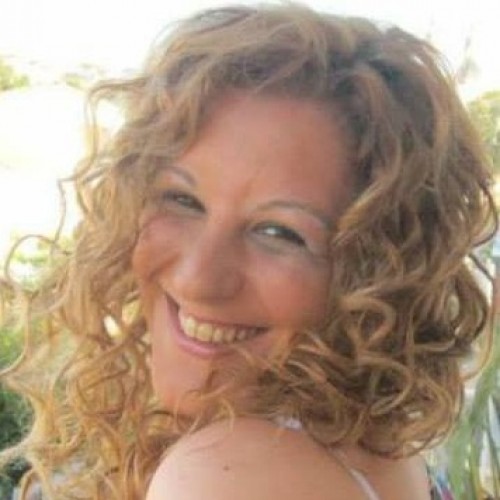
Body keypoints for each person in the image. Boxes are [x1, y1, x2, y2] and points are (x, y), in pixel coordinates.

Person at [0, 3, 496, 499]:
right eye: (183, 199)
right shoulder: (372, 447)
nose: (197, 278)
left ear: (380, 271)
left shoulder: (223, 476)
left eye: (279, 233)